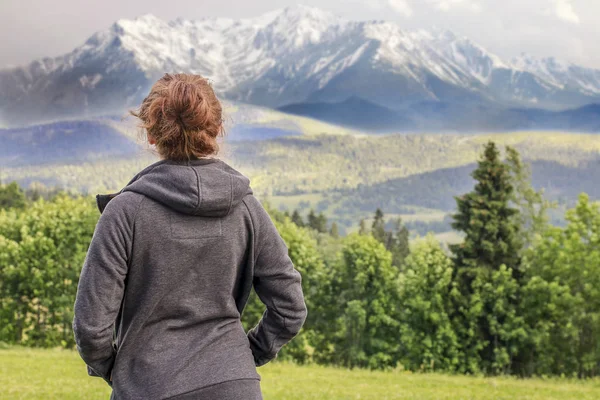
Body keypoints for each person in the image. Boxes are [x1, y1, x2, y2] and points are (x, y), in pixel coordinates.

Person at [72, 73, 308, 400]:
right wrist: (243, 357)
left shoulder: (125, 213)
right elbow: (290, 307)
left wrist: (119, 370)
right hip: (235, 387)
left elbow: (90, 328)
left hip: (148, 388)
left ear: (151, 134)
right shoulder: (247, 209)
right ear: (215, 130)